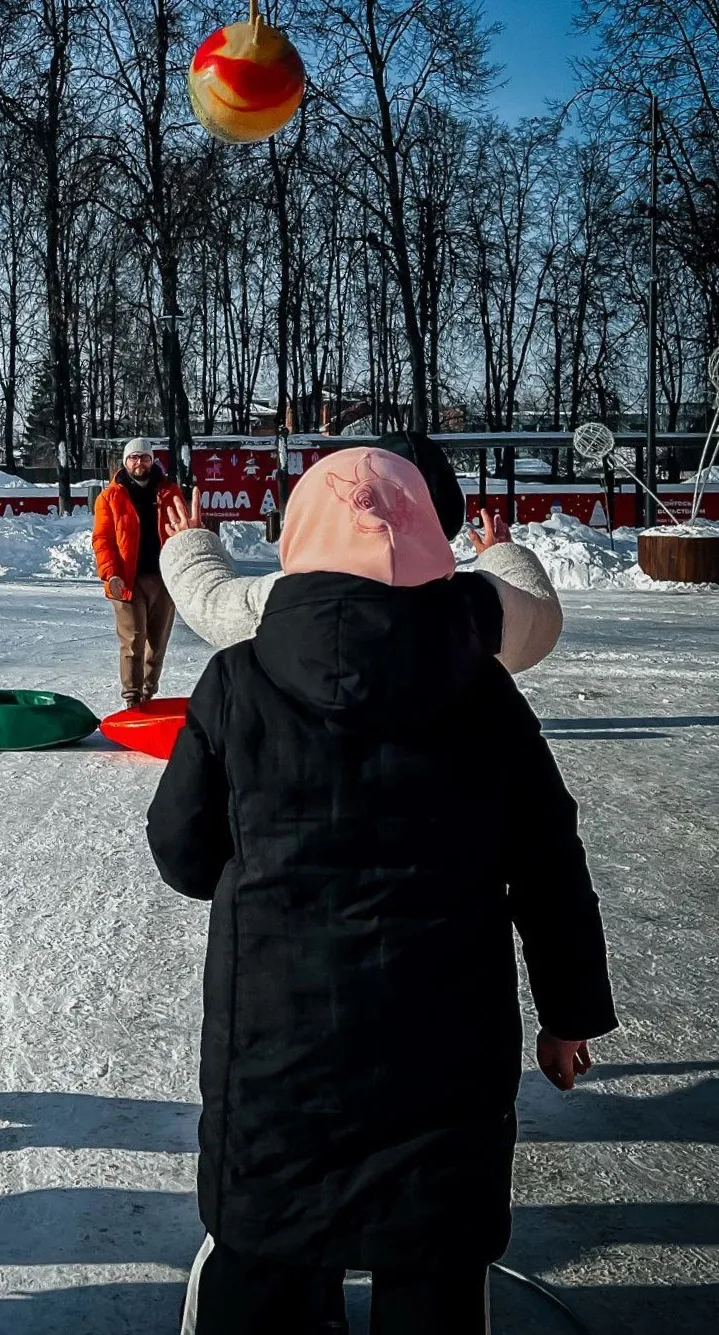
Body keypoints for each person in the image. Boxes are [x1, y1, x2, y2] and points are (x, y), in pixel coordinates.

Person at [147, 447, 616, 1335]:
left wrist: (266, 882)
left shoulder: (236, 681)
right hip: (448, 1045)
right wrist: (568, 1013)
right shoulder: (486, 690)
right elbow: (550, 857)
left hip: (276, 1046)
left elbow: (179, 849)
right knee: (433, 1268)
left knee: (267, 1262)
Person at [160, 430, 564, 674]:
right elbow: (540, 618)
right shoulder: (478, 607)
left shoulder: (284, 601)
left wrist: (189, 542)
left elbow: (211, 600)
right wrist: (503, 555)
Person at [93, 439, 184, 705]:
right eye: (133, 457)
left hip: (163, 578)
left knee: (157, 643)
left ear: (152, 460)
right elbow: (102, 539)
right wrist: (111, 574)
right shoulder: (110, 496)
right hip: (126, 579)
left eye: (144, 457)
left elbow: (183, 533)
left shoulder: (170, 492)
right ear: (125, 461)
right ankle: (132, 698)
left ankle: (148, 693)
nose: (139, 462)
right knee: (133, 641)